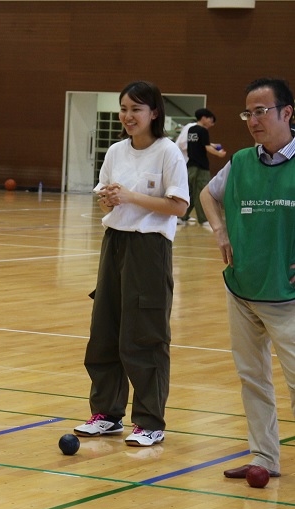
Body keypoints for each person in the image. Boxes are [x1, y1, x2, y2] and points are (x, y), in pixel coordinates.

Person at [74, 81, 189, 447]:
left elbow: (179, 205)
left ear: (154, 112)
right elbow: (104, 195)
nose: (127, 116)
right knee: (105, 330)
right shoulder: (116, 151)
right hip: (115, 244)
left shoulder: (168, 152)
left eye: (135, 109)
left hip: (150, 248)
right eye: (123, 108)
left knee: (145, 336)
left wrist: (131, 196)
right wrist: (107, 200)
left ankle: (150, 421)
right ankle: (107, 414)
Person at [199, 77, 295, 481]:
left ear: (287, 113)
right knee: (252, 379)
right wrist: (220, 230)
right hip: (241, 288)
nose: (253, 120)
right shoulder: (239, 161)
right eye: (248, 113)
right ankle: (264, 457)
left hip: (287, 295)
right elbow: (207, 195)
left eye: (262, 111)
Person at [181, 109, 227, 228]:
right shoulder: (203, 131)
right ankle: (204, 219)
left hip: (190, 165)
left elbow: (200, 144)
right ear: (204, 118)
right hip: (201, 166)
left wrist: (213, 145)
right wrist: (219, 154)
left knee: (190, 192)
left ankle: (182, 216)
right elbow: (206, 147)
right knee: (202, 191)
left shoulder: (192, 130)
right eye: (210, 119)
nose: (211, 122)